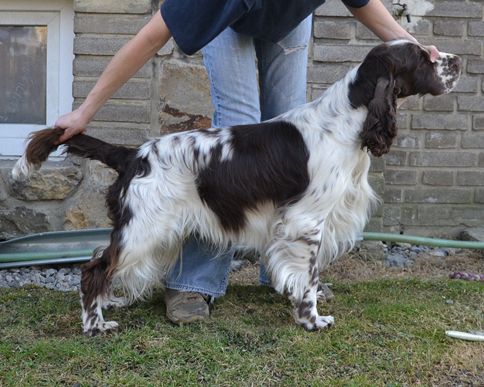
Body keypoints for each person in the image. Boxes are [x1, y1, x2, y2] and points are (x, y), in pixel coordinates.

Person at [55, 0, 438, 324]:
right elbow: (151, 37)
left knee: (288, 140)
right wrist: (87, 110)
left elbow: (364, 4)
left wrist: (418, 54)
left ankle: (289, 277)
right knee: (238, 127)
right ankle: (195, 283)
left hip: (289, 19)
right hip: (228, 19)